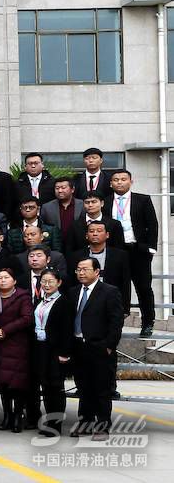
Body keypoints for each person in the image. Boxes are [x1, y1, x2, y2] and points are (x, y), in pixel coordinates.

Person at [61, 258, 125, 440]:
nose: (81, 273)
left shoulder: (109, 291)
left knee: (102, 389)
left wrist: (109, 346)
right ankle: (85, 423)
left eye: (85, 269)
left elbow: (116, 321)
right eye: (78, 269)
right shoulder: (73, 292)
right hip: (78, 347)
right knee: (83, 388)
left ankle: (103, 426)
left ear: (97, 271)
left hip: (100, 348)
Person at [104, 170, 159, 337]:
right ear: (111, 183)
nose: (120, 182)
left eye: (123, 179)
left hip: (138, 249)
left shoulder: (143, 199)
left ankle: (148, 322)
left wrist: (150, 248)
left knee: (143, 287)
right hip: (116, 249)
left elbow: (152, 224)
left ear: (131, 181)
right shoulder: (105, 201)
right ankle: (114, 325)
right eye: (116, 180)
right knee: (116, 287)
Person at [0, 268, 33, 433]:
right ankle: (7, 415)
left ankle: (18, 416)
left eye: (6, 277)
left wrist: (5, 330)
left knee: (18, 383)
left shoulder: (23, 296)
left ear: (14, 281)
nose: (2, 280)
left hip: (17, 344)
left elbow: (27, 318)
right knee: (3, 383)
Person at [31, 269, 69, 437]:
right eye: (43, 281)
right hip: (41, 349)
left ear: (59, 283)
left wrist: (64, 352)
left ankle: (56, 425)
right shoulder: (40, 301)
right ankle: (49, 422)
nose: (46, 285)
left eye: (50, 281)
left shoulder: (63, 302)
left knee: (56, 388)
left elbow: (67, 330)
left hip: (55, 351)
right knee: (46, 387)